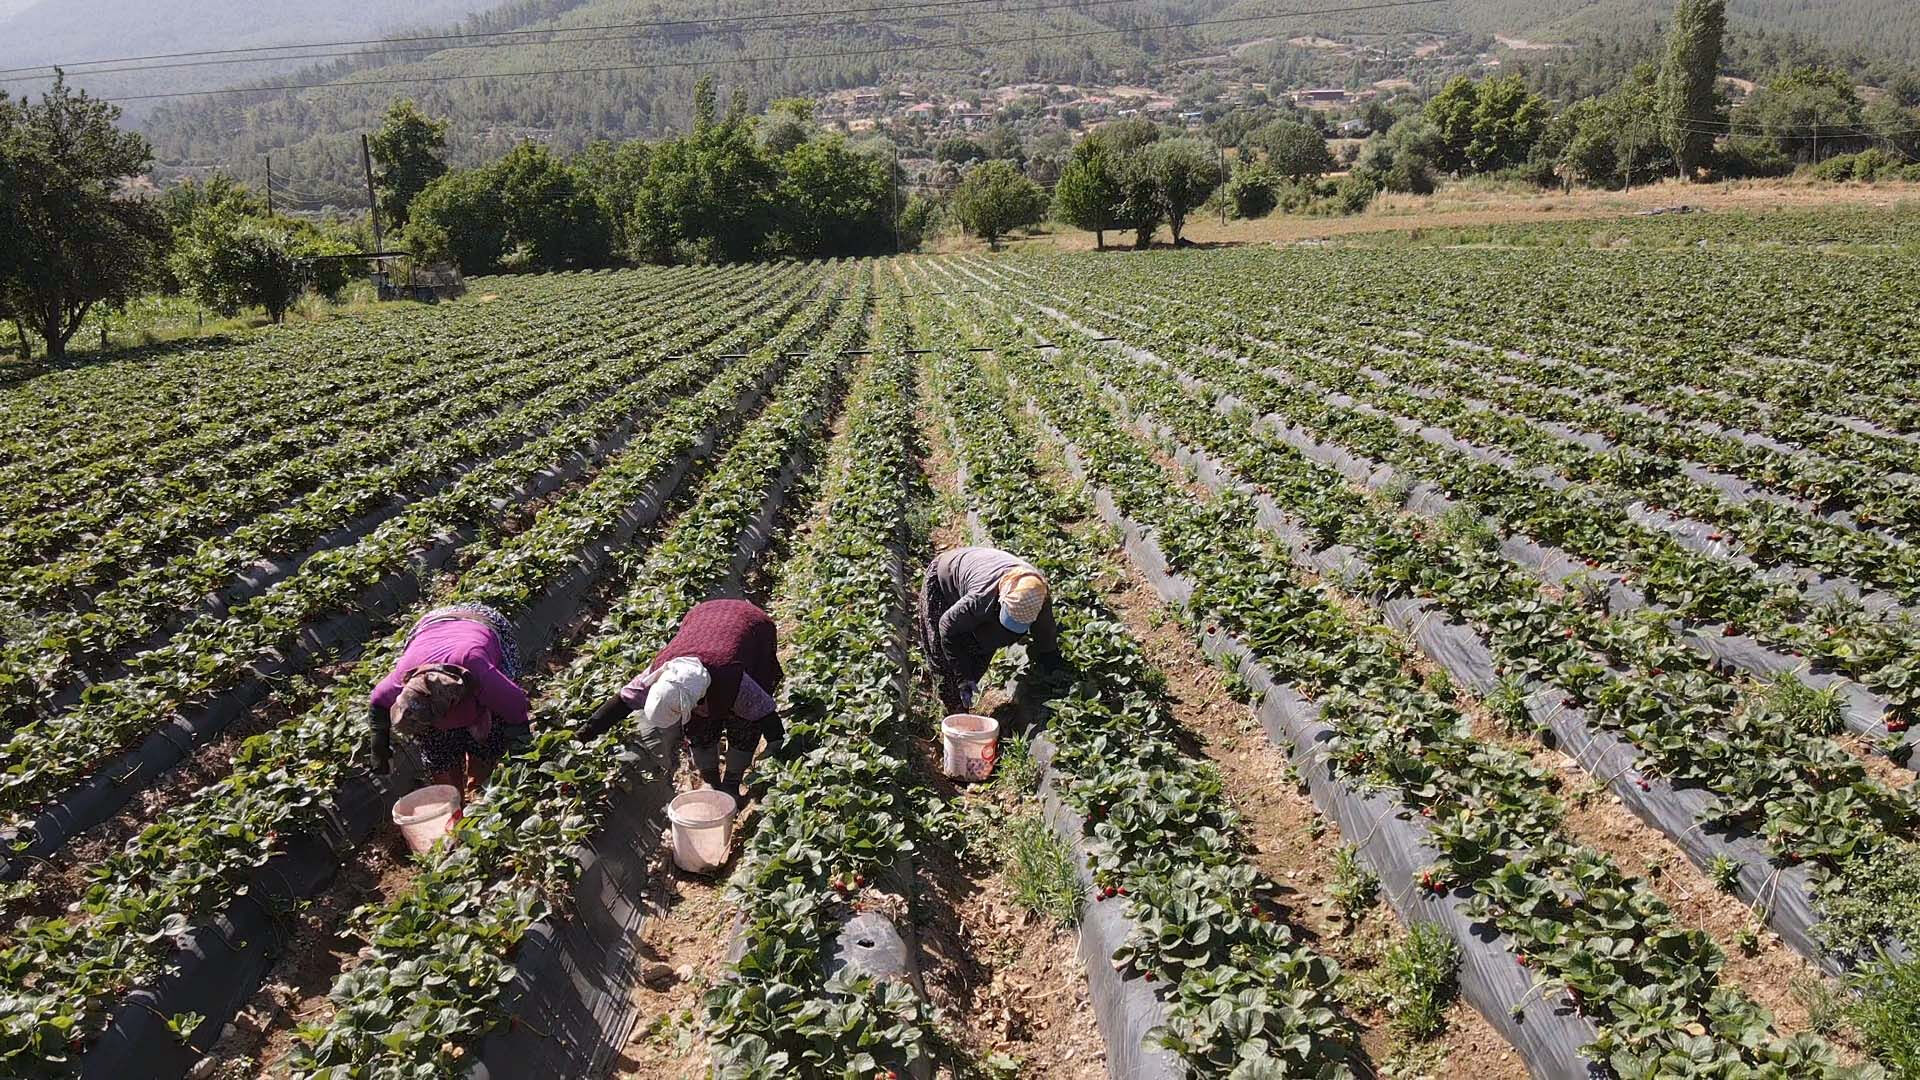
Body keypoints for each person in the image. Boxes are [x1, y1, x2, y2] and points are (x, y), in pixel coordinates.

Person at [583, 598, 783, 799]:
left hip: (752, 627)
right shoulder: (660, 673)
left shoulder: (734, 680)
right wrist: (585, 733)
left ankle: (732, 782)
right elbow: (623, 701)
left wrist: (775, 743)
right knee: (698, 728)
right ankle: (711, 781)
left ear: (697, 700)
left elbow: (764, 712)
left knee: (744, 724)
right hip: (706, 616)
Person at [369, 603, 531, 794]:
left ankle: (477, 785)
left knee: (489, 735)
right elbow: (378, 702)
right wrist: (379, 749)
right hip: (430, 625)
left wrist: (522, 759)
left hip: (482, 621)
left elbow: (515, 707)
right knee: (436, 747)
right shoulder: (402, 678)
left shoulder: (479, 672)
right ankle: (453, 798)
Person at [919, 546, 1057, 713]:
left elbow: (1045, 632)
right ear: (1001, 601)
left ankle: (965, 698)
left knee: (983, 645)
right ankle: (953, 710)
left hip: (981, 578)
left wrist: (1052, 666)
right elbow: (947, 627)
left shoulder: (1038, 596)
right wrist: (962, 677)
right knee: (942, 654)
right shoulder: (981, 598)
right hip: (945, 576)